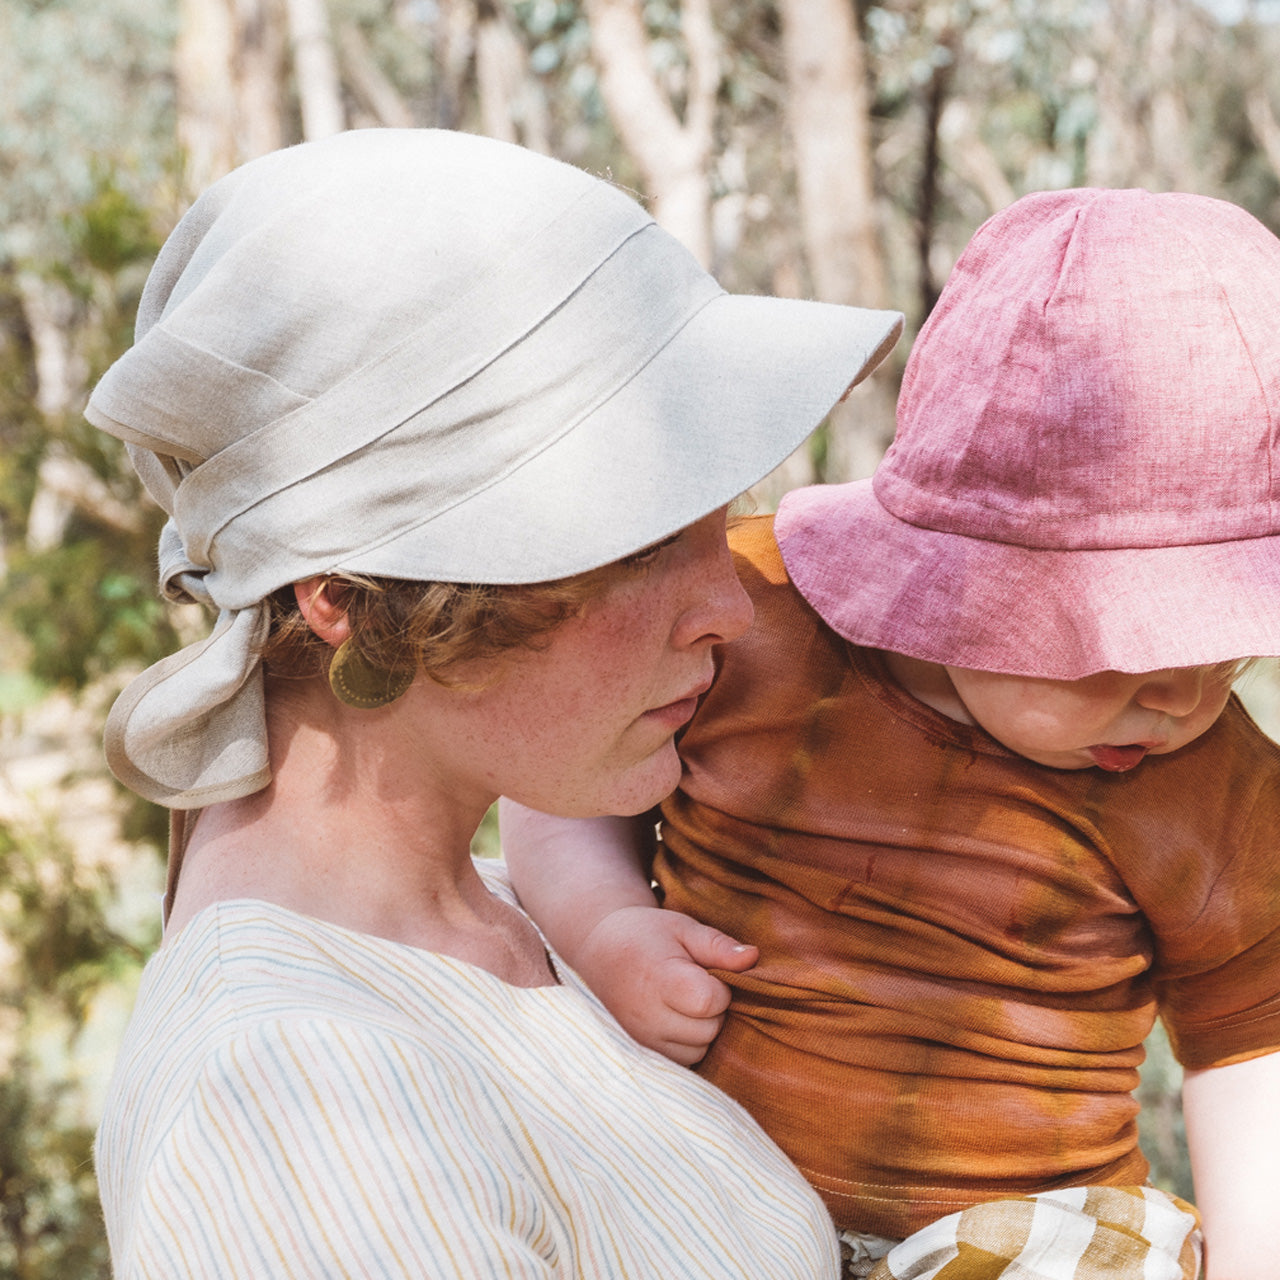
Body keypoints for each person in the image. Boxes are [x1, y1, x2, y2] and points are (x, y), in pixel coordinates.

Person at [85, 127, 905, 1279]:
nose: (728, 606)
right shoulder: (291, 1102)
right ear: (355, 603)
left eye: (714, 526)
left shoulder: (497, 921)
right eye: (638, 545)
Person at [503, 188, 1280, 1280]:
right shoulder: (744, 614)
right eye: (1129, 653)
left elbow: (1254, 1051)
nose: (1182, 702)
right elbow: (554, 778)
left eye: (1227, 653)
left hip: (1024, 1235)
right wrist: (602, 925)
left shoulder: (1219, 790)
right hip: (697, 1179)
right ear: (959, 584)